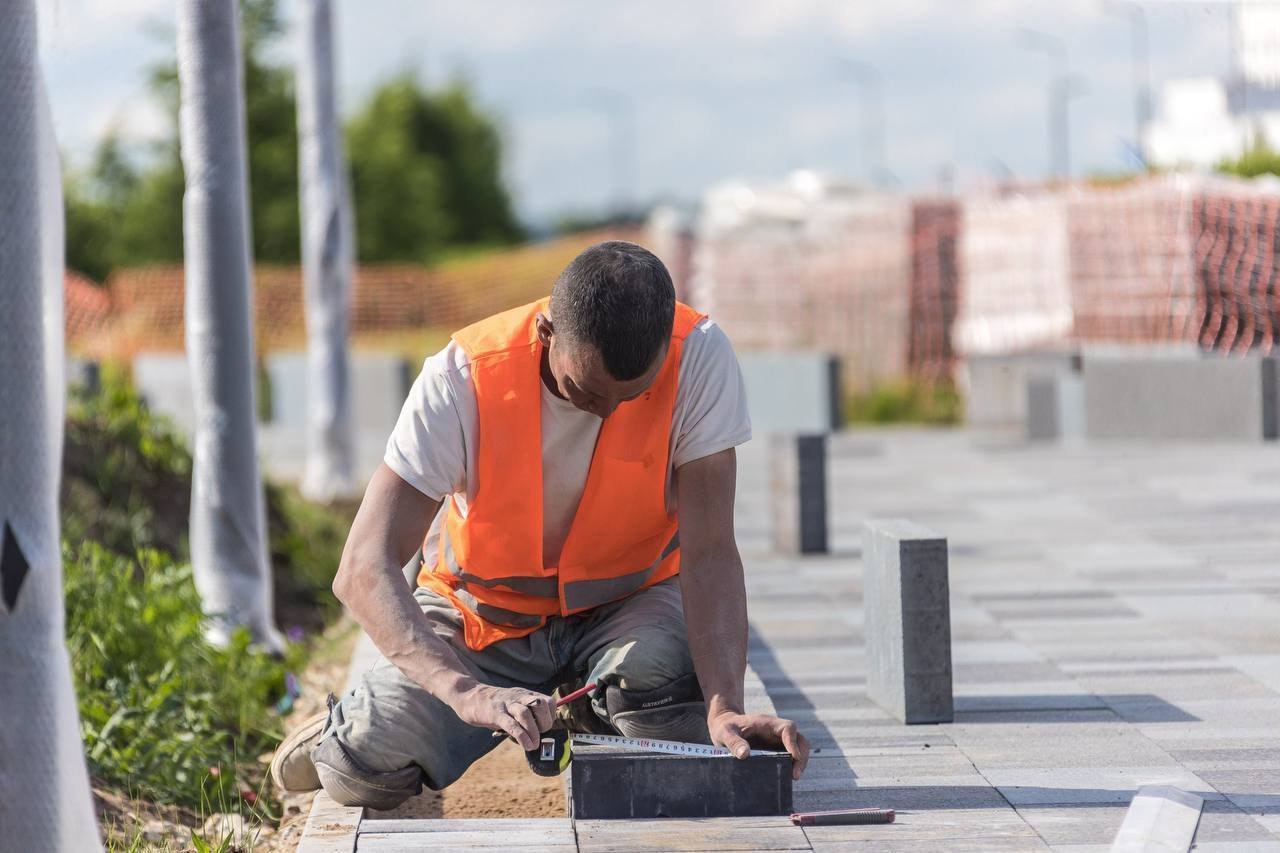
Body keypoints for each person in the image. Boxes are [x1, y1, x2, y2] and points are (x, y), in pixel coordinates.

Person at [270, 241, 810, 808]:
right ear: (547, 332)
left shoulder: (698, 354)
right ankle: (341, 728)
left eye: (636, 395)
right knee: (364, 770)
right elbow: (362, 567)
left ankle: (593, 712)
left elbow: (711, 555)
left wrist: (725, 708)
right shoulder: (461, 379)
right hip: (485, 619)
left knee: (672, 731)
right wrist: (466, 693)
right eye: (589, 393)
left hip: (629, 608)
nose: (610, 414)